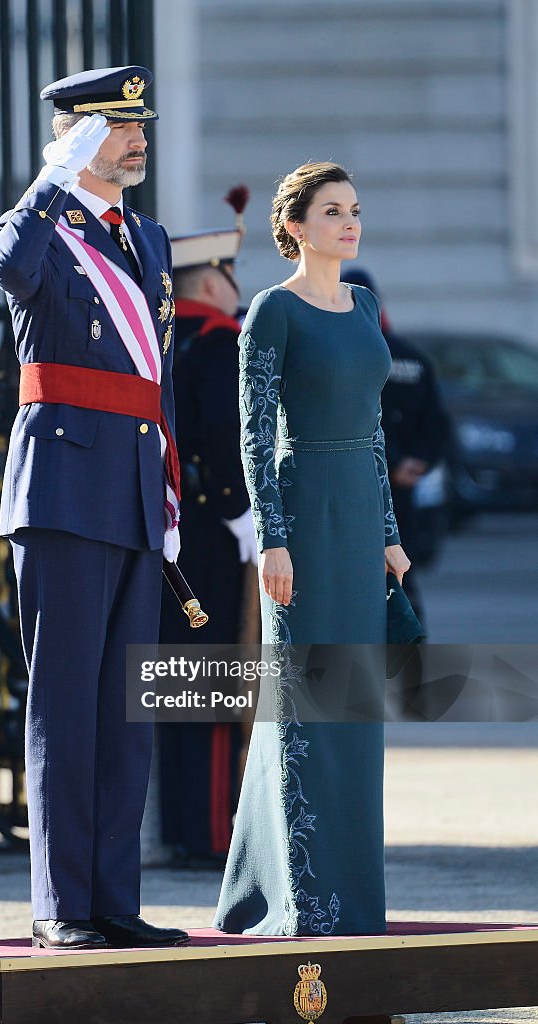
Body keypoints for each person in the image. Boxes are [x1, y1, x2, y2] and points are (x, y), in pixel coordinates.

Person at [0, 66, 188, 951]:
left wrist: (171, 490)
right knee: (63, 707)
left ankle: (112, 899)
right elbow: (11, 274)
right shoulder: (36, 223)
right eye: (116, 125)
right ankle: (60, 904)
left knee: (122, 714)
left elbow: (157, 380)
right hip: (64, 489)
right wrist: (50, 182)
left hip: (136, 493)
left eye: (140, 122)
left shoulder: (147, 236)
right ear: (73, 137)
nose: (137, 137)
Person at [213, 162, 410, 937]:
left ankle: (354, 904)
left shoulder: (362, 303)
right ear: (294, 225)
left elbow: (375, 428)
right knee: (299, 707)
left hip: (360, 522)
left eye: (354, 209)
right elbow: (253, 436)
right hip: (301, 520)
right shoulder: (271, 311)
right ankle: (292, 902)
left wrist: (390, 536)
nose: (348, 222)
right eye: (331, 211)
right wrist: (273, 539)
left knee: (352, 712)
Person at [158, 225, 257, 865]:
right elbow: (224, 435)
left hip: (160, 530)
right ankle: (212, 833)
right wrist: (239, 514)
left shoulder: (156, 340)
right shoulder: (220, 341)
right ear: (214, 281)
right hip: (209, 532)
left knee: (171, 680)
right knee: (216, 682)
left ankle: (179, 825)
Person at [342, 268, 450, 627]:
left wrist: (399, 464)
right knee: (401, 579)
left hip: (356, 490)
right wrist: (415, 464)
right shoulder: (411, 356)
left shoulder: (342, 357)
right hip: (401, 490)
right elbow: (438, 425)